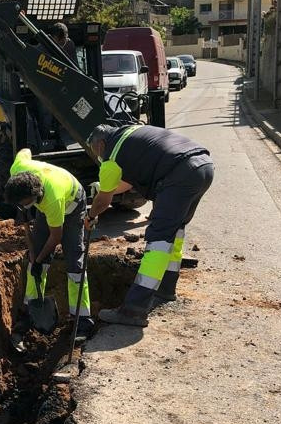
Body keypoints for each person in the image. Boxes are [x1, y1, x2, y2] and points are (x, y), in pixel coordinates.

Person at [85, 123, 214, 327]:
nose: (97, 155)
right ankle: (166, 288)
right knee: (175, 230)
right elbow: (127, 182)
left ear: (101, 144)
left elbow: (103, 202)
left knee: (158, 240)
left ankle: (134, 309)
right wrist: (104, 187)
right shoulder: (129, 134)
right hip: (203, 166)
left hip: (179, 174)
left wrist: (91, 215)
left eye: (94, 151)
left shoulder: (111, 156)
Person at [4, 149, 95, 341]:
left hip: (72, 204)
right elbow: (25, 151)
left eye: (24, 203)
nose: (22, 206)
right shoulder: (17, 168)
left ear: (35, 196)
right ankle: (30, 311)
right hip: (46, 203)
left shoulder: (53, 199)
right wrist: (35, 257)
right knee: (35, 260)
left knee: (74, 260)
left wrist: (39, 259)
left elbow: (56, 237)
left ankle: (83, 319)